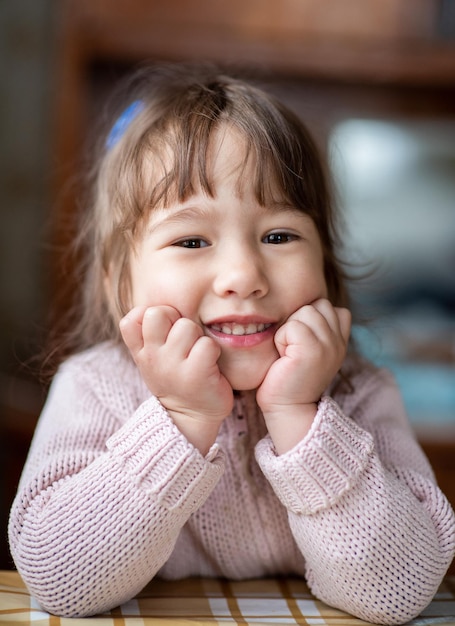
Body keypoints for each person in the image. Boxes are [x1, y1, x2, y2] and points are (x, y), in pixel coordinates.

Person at [8, 63, 455, 624]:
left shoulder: (359, 391)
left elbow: (398, 593)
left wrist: (298, 415)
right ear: (119, 282)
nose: (243, 275)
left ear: (326, 266)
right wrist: (182, 417)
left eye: (279, 235)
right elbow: (58, 582)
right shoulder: (94, 387)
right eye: (192, 239)